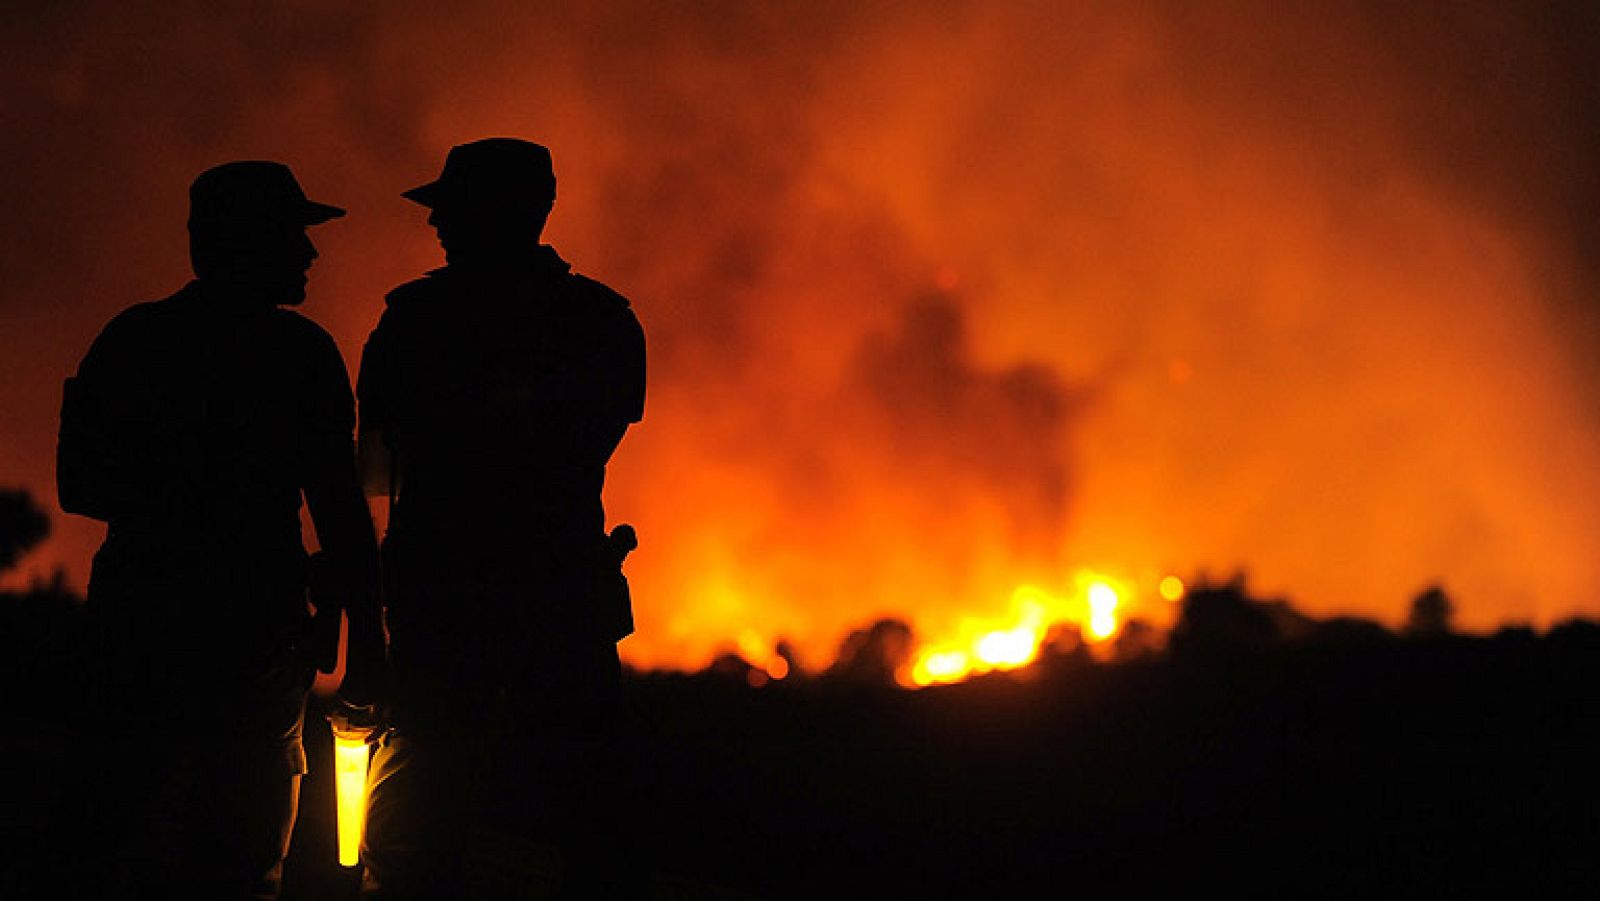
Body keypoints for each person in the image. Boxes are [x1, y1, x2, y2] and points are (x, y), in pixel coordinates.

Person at [57, 161, 385, 899]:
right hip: (254, 643)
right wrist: (368, 649)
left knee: (125, 846)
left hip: (137, 630)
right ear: (247, 241)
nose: (310, 253)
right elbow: (338, 511)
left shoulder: (133, 341)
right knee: (239, 860)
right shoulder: (302, 356)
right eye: (293, 235)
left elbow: (79, 485)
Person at [356, 138, 646, 898]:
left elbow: (377, 471)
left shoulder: (413, 323)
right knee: (586, 813)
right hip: (558, 595)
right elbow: (590, 439)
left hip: (443, 600)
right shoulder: (600, 323)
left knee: (422, 810)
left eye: (453, 212)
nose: (439, 228)